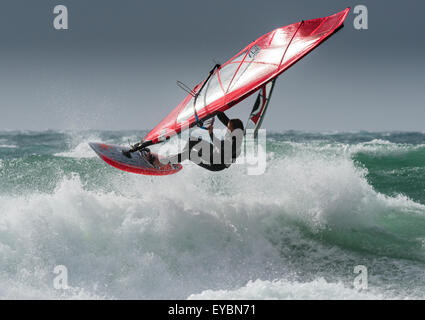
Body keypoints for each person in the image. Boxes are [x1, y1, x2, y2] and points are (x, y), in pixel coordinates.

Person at [147, 112, 244, 172]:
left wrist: (211, 133)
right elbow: (222, 116)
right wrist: (216, 109)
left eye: (228, 128)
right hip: (215, 152)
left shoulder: (235, 142)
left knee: (190, 154)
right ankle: (175, 160)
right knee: (192, 140)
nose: (226, 128)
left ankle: (159, 164)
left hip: (216, 163)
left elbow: (221, 146)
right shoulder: (236, 130)